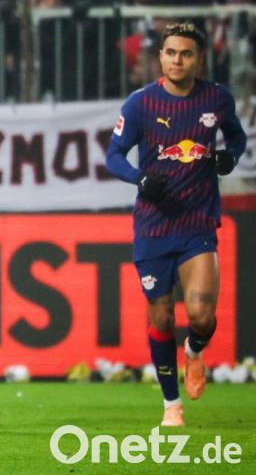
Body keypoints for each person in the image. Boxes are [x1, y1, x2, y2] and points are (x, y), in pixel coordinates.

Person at [106, 22, 245, 427]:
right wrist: (139, 179)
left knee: (200, 316)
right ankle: (171, 403)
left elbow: (236, 138)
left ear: (199, 59)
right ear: (161, 57)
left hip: (197, 223)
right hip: (153, 227)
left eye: (185, 54)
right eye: (170, 53)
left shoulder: (217, 98)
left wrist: (230, 156)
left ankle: (195, 351)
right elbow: (113, 155)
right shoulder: (140, 104)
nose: (177, 61)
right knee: (162, 318)